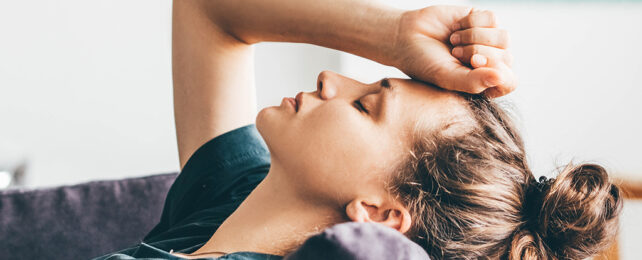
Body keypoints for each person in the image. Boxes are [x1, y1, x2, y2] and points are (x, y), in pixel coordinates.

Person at [94, 0, 621, 259]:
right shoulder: (233, 194)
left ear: (379, 213)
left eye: (366, 106)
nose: (330, 79)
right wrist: (391, 35)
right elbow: (209, 10)